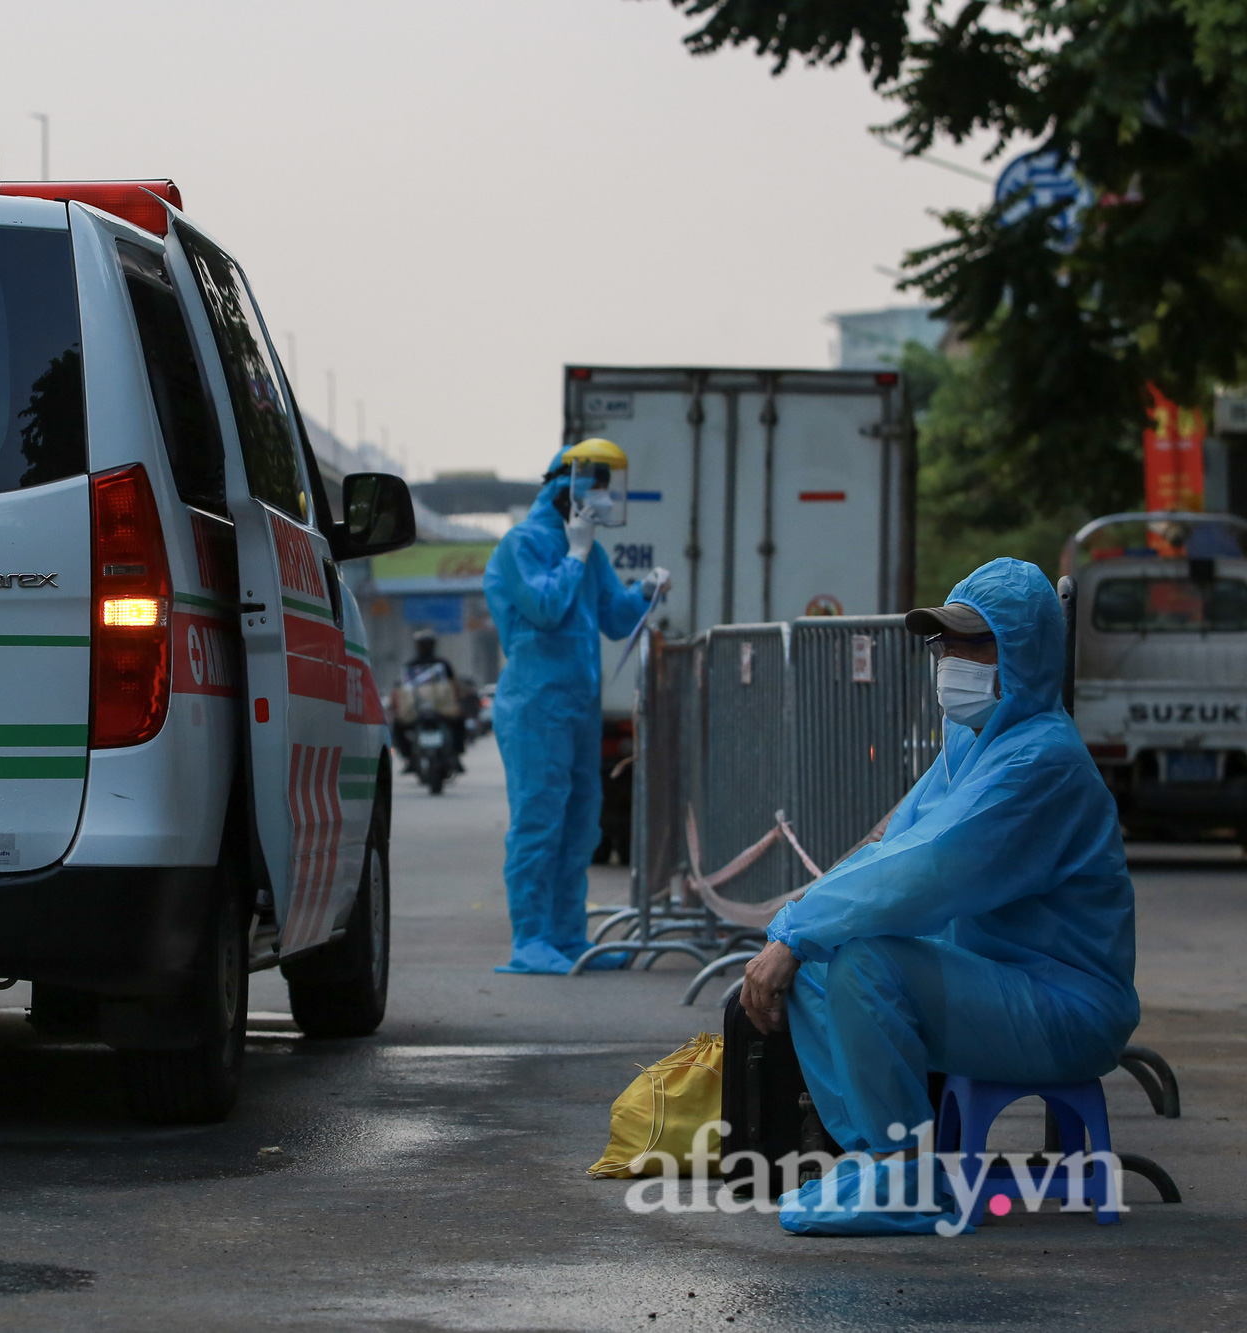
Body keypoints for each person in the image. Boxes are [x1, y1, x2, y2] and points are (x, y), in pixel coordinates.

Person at [737, 557, 1139, 1232]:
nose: (953, 658)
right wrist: (793, 933)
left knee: (864, 960)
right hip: (999, 982)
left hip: (1067, 1006)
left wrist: (796, 927)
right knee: (819, 961)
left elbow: (927, 867)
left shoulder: (1042, 761)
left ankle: (909, 1175)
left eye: (975, 641)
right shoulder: (972, 739)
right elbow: (892, 844)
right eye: (945, 642)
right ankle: (874, 1158)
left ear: (1025, 650)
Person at [483, 442, 668, 974]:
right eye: (599, 484)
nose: (607, 496)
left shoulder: (590, 553)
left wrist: (646, 592)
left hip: (578, 708)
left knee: (580, 823)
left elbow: (614, 618)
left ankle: (567, 936)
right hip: (535, 707)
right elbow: (543, 608)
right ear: (569, 485)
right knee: (539, 821)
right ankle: (530, 940)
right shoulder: (523, 544)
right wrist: (576, 555)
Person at [394, 629, 465, 774]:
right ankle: (455, 756)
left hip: (422, 711)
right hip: (432, 711)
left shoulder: (411, 665)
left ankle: (409, 758)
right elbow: (455, 687)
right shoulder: (442, 664)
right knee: (459, 723)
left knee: (398, 726)